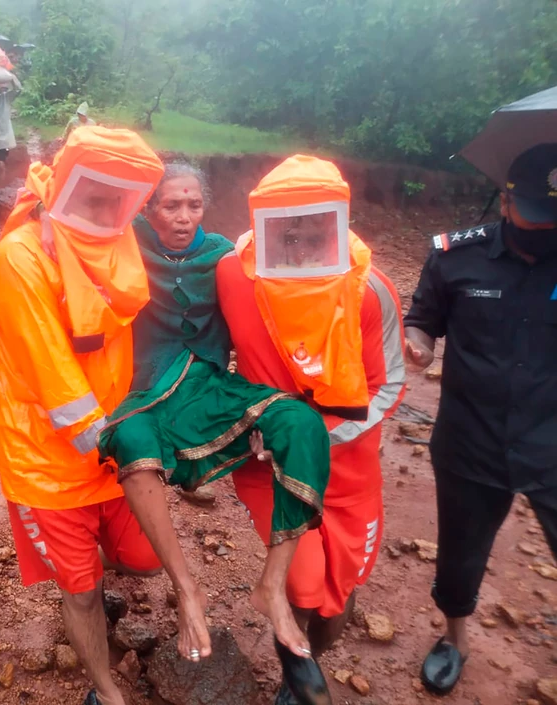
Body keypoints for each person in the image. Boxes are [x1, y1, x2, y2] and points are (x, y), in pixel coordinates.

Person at [96, 162, 334, 704]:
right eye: (170, 206)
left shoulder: (226, 255)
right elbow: (70, 228)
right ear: (148, 208)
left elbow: (278, 301)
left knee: (300, 422)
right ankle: (187, 589)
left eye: (194, 205)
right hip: (146, 392)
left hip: (211, 390)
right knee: (131, 442)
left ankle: (271, 587)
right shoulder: (123, 243)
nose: (183, 217)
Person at [216, 155, 406, 705]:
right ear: (263, 226)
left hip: (348, 473)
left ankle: (304, 669)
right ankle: (297, 681)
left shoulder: (369, 291)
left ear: (337, 225)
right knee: (302, 585)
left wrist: (312, 436)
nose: (298, 245)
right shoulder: (234, 274)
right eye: (286, 232)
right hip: (267, 466)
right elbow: (205, 351)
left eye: (313, 231)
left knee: (337, 597)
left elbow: (389, 385)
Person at [0, 125, 166, 705]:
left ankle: (92, 561)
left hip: (111, 446)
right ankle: (105, 691)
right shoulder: (20, 256)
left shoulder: (119, 237)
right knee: (82, 590)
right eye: (95, 193)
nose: (107, 208)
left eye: (119, 197)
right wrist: (134, 450)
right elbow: (57, 382)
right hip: (48, 459)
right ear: (66, 185)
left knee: (145, 560)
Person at [404, 143, 557, 696]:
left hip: (552, 441)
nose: (544, 228)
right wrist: (419, 347)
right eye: (534, 214)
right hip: (470, 439)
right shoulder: (455, 256)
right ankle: (455, 639)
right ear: (506, 201)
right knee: (460, 553)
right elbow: (422, 319)